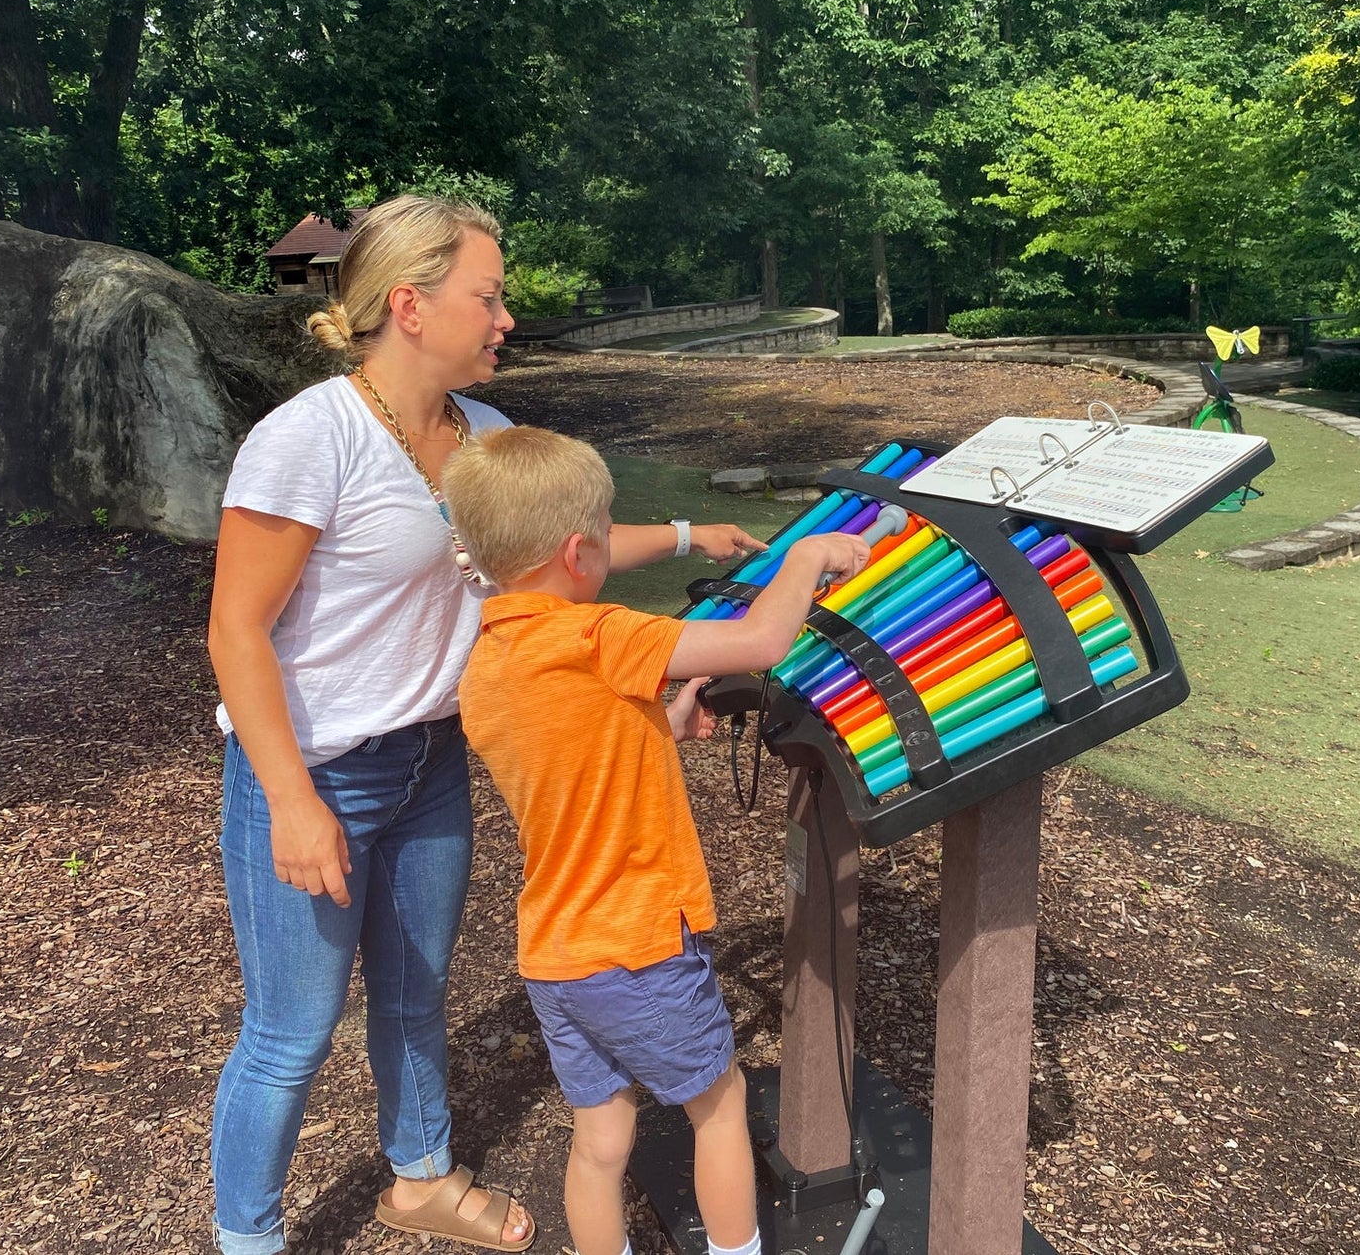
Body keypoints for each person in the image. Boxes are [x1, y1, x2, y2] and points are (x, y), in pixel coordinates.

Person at [205, 194, 765, 1255]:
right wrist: (290, 800)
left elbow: (568, 546)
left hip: (430, 760)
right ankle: (249, 1238)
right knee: (293, 1030)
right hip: (315, 771)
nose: (506, 317)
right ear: (410, 306)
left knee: (416, 996)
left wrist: (692, 531)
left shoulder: (487, 436)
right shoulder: (307, 440)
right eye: (489, 295)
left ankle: (419, 1177)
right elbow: (236, 631)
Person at [442, 426, 870, 1255]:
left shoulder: (490, 664)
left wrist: (659, 723)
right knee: (719, 1104)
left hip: (557, 954)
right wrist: (808, 556)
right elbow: (759, 642)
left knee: (601, 1143)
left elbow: (574, 760)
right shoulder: (603, 636)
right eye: (606, 529)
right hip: (636, 946)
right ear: (579, 553)